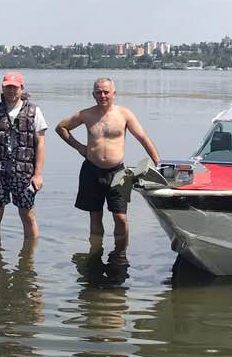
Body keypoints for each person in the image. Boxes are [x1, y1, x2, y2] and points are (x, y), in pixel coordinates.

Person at [55, 77, 161, 238]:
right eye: (99, 92)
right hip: (91, 170)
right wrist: (79, 147)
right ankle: (96, 250)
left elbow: (143, 138)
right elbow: (61, 127)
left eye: (106, 92)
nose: (103, 96)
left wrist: (158, 163)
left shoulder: (124, 114)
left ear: (114, 94)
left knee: (121, 217)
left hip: (118, 173)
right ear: (93, 94)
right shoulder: (86, 114)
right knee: (95, 216)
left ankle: (120, 252)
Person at [0, 71, 47, 241]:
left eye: (14, 87)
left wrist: (38, 175)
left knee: (27, 215)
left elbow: (41, 143)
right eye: (8, 87)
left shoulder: (34, 111)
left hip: (24, 173)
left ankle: (30, 254)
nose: (11, 90)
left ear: (21, 88)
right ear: (2, 88)